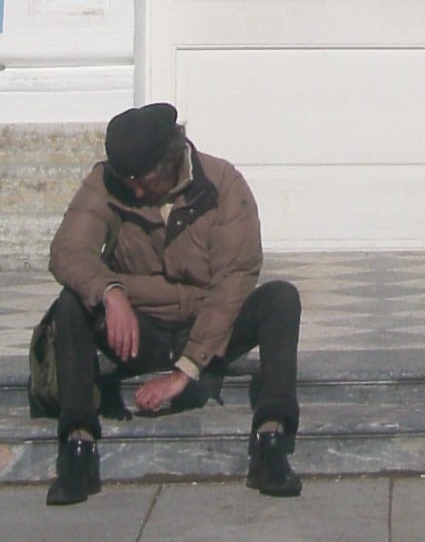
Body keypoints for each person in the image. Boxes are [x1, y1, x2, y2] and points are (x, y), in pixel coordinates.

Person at [42, 102, 302, 507]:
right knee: (70, 303)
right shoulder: (106, 182)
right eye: (126, 180)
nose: (134, 190)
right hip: (140, 329)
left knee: (281, 299)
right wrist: (110, 292)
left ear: (170, 161)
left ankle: (272, 439)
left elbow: (233, 280)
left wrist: (185, 371)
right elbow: (68, 251)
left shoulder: (223, 184)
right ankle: (78, 446)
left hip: (206, 329)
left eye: (141, 180)